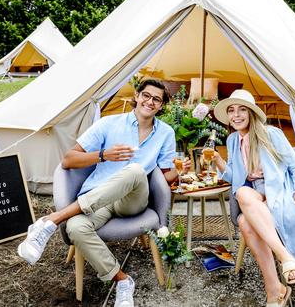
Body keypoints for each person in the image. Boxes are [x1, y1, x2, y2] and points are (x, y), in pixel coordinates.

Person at [17, 79, 190, 307]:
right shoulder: (108, 123)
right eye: (146, 95)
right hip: (98, 198)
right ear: (136, 97)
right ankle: (122, 280)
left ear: (161, 106)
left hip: (132, 200)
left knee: (136, 170)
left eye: (156, 99)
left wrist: (178, 172)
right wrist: (103, 155)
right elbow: (68, 160)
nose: (150, 101)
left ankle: (51, 220)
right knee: (75, 227)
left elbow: (164, 177)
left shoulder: (165, 133)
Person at [211, 90, 295, 307]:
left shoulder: (271, 134)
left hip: (282, 192)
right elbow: (236, 177)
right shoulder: (233, 139)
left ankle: (275, 290)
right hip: (258, 194)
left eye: (242, 109)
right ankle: (286, 259)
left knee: (244, 222)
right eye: (231, 110)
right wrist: (218, 163)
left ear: (251, 113)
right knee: (241, 192)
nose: (236, 115)